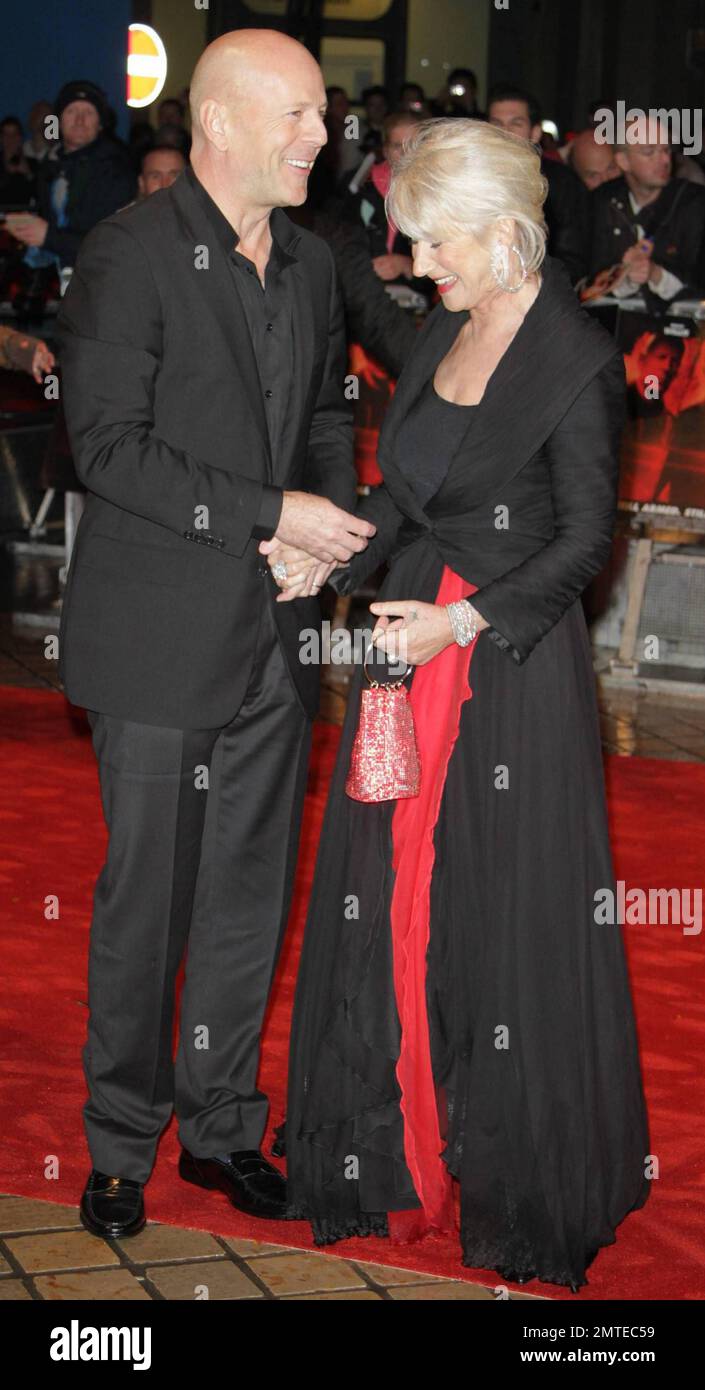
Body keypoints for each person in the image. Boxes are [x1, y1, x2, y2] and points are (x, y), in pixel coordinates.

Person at [267, 118, 651, 1293]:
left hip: (504, 670)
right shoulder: (448, 323)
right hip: (406, 652)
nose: (419, 265)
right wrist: (327, 552)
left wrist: (465, 623)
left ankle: (499, 1155)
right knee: (390, 895)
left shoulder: (575, 355)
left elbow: (591, 536)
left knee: (492, 900)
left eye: (435, 242)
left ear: (502, 229)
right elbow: (410, 494)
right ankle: (394, 1145)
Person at [56, 28, 373, 1241]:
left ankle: (223, 1126)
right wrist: (264, 516)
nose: (319, 137)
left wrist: (322, 526)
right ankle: (119, 1144)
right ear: (224, 123)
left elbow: (329, 411)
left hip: (276, 633)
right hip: (156, 638)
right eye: (297, 116)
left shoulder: (306, 261)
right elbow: (109, 447)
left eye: (323, 116)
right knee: (151, 902)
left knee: (248, 897)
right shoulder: (130, 253)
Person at [5, 80, 136, 269]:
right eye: (72, 111)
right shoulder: (51, 165)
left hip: (99, 282)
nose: (80, 120)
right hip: (56, 279)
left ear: (100, 124)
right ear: (59, 121)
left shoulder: (116, 170)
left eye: (89, 113)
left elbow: (111, 245)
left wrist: (47, 236)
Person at [589, 114, 705, 305]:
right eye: (649, 152)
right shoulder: (602, 201)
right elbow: (584, 276)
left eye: (666, 150)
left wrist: (656, 274)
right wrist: (622, 275)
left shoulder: (694, 203)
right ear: (623, 161)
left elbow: (697, 282)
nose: (664, 160)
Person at [487, 84, 589, 284]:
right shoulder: (470, 178)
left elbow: (574, 258)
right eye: (497, 124)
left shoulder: (562, 183)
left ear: (535, 133)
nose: (505, 132)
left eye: (515, 123)